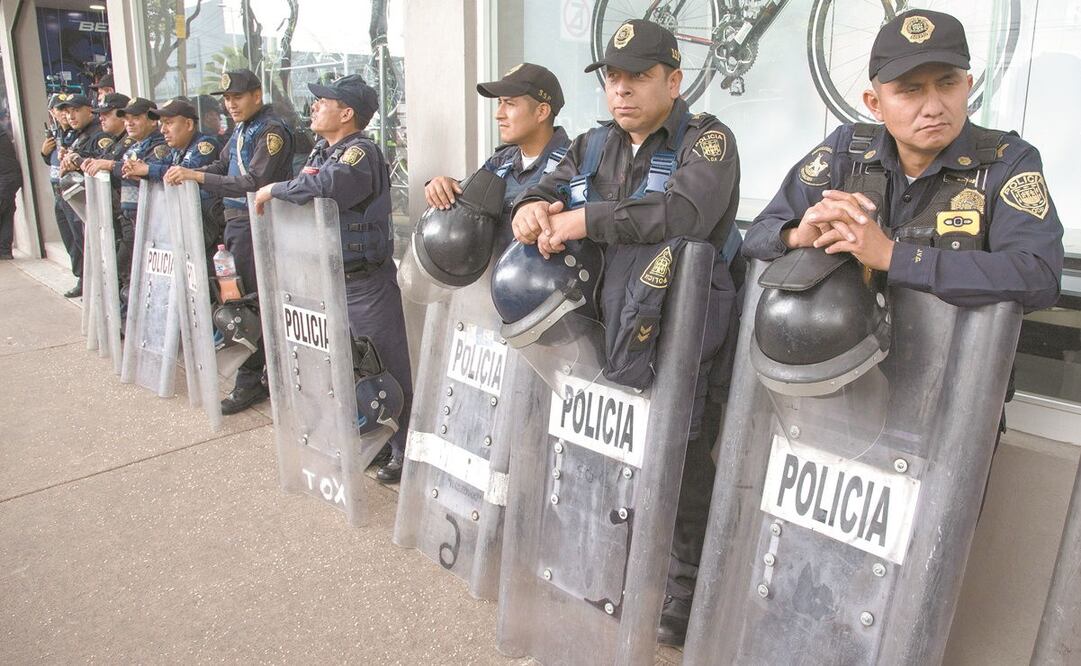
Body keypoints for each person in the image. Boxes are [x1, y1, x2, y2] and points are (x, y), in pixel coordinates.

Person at [510, 19, 741, 646]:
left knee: (684, 464)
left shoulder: (708, 141)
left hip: (681, 335)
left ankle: (685, 591)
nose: (622, 90)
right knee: (606, 454)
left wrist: (587, 220)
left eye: (639, 76)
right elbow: (545, 187)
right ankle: (614, 566)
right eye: (613, 77)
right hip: (602, 332)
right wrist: (531, 207)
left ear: (674, 78)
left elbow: (684, 213)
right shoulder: (592, 144)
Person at [743, 9, 1063, 312]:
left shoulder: (1006, 162)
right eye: (911, 91)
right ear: (875, 104)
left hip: (959, 362)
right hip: (842, 359)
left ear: (967, 87)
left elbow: (1038, 275)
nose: (933, 107)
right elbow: (758, 234)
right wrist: (799, 234)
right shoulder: (845, 151)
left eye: (947, 84)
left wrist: (895, 257)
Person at [251, 75, 414, 483]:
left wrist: (275, 188)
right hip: (326, 282)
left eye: (323, 101)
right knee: (341, 368)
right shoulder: (325, 150)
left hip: (363, 284)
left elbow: (329, 187)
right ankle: (373, 438)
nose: (314, 107)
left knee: (384, 369)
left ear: (347, 112)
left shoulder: (361, 152)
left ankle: (405, 450)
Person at [165, 69, 295, 415]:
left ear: (257, 95)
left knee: (247, 310)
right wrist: (181, 171)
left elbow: (254, 180)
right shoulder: (242, 129)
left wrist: (197, 176)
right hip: (237, 226)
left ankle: (252, 383)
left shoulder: (271, 130)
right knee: (240, 304)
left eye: (237, 97)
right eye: (226, 99)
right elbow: (222, 164)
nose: (231, 104)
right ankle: (257, 378)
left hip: (259, 229)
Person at [426, 63, 570, 251]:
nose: (498, 114)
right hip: (492, 276)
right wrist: (443, 186)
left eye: (509, 104)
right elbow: (472, 197)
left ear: (541, 111)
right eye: (499, 103)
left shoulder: (576, 162)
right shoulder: (502, 160)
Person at [123, 98, 224, 262]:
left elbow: (183, 173)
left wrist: (147, 169)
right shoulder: (176, 151)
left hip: (208, 229)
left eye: (169, 123)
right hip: (184, 228)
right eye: (162, 124)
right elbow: (161, 168)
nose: (163, 130)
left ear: (189, 124)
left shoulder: (204, 145)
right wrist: (142, 170)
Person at [56, 93, 116, 297]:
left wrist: (77, 161)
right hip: (71, 197)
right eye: (67, 112)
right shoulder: (79, 134)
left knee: (92, 247)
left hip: (89, 200)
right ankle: (87, 282)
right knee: (77, 243)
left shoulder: (99, 135)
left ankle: (99, 289)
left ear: (89, 110)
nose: (71, 116)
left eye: (76, 110)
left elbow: (99, 166)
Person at [111, 98, 169, 302]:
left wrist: (115, 167)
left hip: (150, 222)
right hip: (130, 219)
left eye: (136, 118)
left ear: (154, 120)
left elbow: (145, 173)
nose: (129, 123)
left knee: (137, 277)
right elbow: (120, 167)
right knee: (127, 275)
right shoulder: (132, 146)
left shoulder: (160, 146)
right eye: (126, 119)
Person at [41, 95, 79, 282]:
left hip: (73, 192)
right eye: (60, 110)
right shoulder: (55, 133)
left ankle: (84, 279)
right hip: (58, 191)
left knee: (79, 238)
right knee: (69, 238)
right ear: (52, 113)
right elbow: (53, 161)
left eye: (68, 110)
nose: (65, 114)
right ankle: (79, 275)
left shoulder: (76, 132)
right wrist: (44, 153)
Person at [0, 126, 21, 259]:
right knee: (6, 213)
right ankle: (4, 251)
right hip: (8, 178)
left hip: (6, 179)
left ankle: (4, 250)